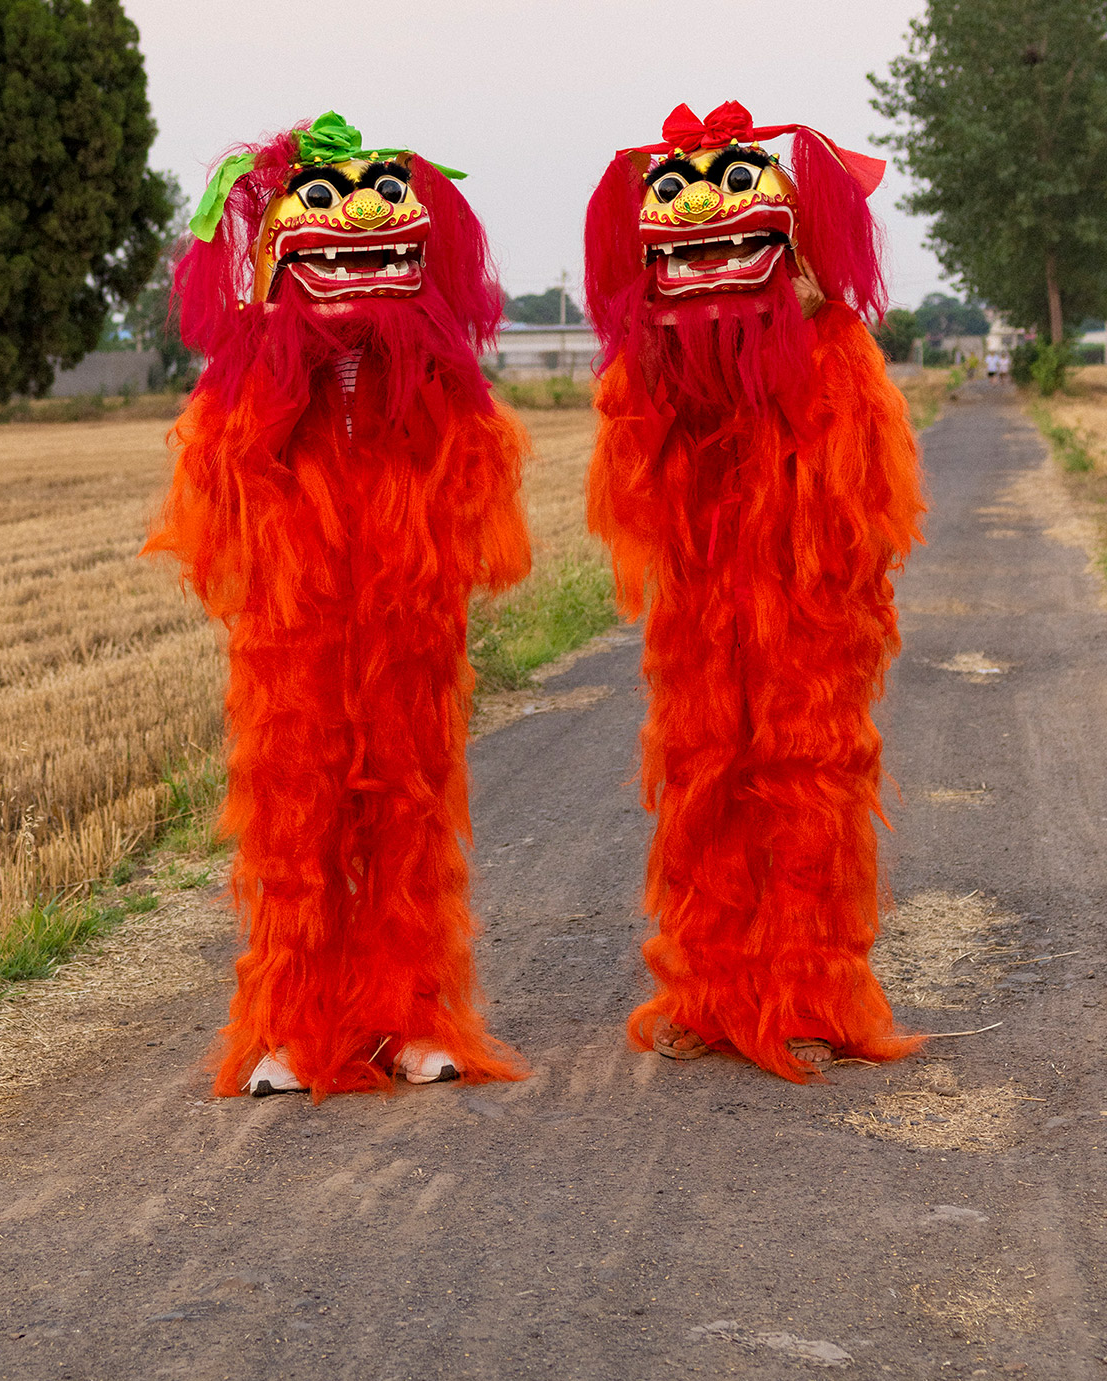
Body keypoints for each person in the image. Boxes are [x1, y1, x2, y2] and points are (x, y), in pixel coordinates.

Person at [145, 112, 530, 1098]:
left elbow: (474, 478)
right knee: (294, 824)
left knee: (407, 813)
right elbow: (219, 493)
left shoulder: (434, 377)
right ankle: (288, 1021)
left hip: (406, 628)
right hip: (295, 634)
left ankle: (410, 1014)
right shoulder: (255, 378)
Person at [583, 100, 924, 1081]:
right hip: (698, 618)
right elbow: (638, 469)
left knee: (809, 795)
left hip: (809, 619)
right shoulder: (666, 362)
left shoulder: (837, 355)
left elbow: (863, 495)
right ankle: (707, 991)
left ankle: (812, 988)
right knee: (702, 797)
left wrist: (815, 318)